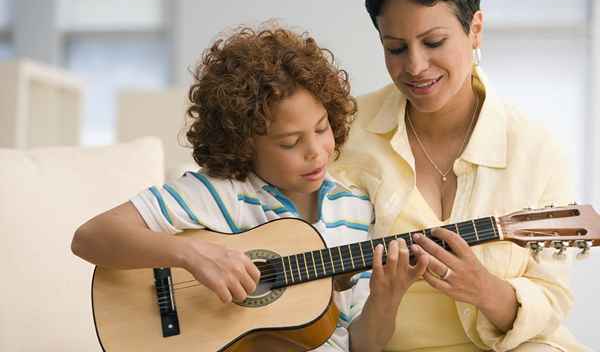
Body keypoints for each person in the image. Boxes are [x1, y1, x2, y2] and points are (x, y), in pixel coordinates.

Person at [71, 24, 429, 351]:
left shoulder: (353, 210)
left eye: (322, 128)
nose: (316, 151)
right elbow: (91, 236)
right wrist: (194, 255)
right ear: (244, 143)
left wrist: (387, 296)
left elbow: (362, 346)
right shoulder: (222, 193)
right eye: (290, 143)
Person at [331, 0, 591, 351]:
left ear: (475, 29)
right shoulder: (341, 130)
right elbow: (213, 162)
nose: (415, 66)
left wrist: (484, 289)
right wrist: (199, 250)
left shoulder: (534, 149)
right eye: (396, 48)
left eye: (434, 42)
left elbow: (552, 298)